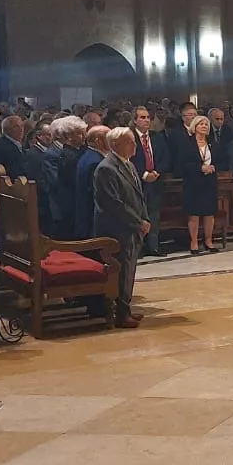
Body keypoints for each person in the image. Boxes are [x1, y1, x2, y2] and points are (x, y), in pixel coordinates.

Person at [94, 127, 150, 328]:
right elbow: (114, 203)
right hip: (118, 228)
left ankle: (126, 308)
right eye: (129, 142)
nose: (134, 145)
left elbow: (138, 196)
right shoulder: (106, 168)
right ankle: (119, 313)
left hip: (132, 227)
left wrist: (144, 218)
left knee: (129, 268)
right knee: (122, 269)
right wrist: (138, 222)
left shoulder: (130, 165)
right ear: (115, 144)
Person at [130, 107, 169, 257]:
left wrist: (157, 172)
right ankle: (138, 249)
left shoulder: (157, 137)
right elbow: (129, 158)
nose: (146, 120)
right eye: (142, 117)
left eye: (148, 117)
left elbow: (166, 158)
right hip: (137, 183)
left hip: (155, 182)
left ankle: (153, 246)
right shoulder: (130, 136)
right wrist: (144, 174)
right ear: (134, 120)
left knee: (154, 215)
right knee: (137, 216)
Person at [182, 114, 220, 253]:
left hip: (209, 181)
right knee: (194, 213)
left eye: (206, 125)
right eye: (201, 124)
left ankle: (209, 241)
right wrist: (200, 168)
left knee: (209, 212)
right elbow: (183, 164)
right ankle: (194, 242)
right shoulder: (187, 143)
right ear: (195, 127)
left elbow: (220, 159)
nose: (204, 126)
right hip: (193, 182)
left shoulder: (212, 143)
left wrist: (213, 167)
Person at [75, 125, 111, 240]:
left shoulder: (88, 156)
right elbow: (99, 194)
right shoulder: (96, 162)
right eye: (108, 138)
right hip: (94, 218)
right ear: (98, 141)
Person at [0, 115, 27, 180]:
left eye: (22, 126)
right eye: (16, 127)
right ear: (6, 130)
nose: (21, 129)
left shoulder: (16, 144)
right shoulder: (3, 147)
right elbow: (14, 172)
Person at [207, 107, 233, 173]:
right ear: (210, 119)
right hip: (209, 164)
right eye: (217, 119)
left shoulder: (229, 131)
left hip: (225, 164)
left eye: (221, 119)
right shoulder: (206, 130)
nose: (219, 121)